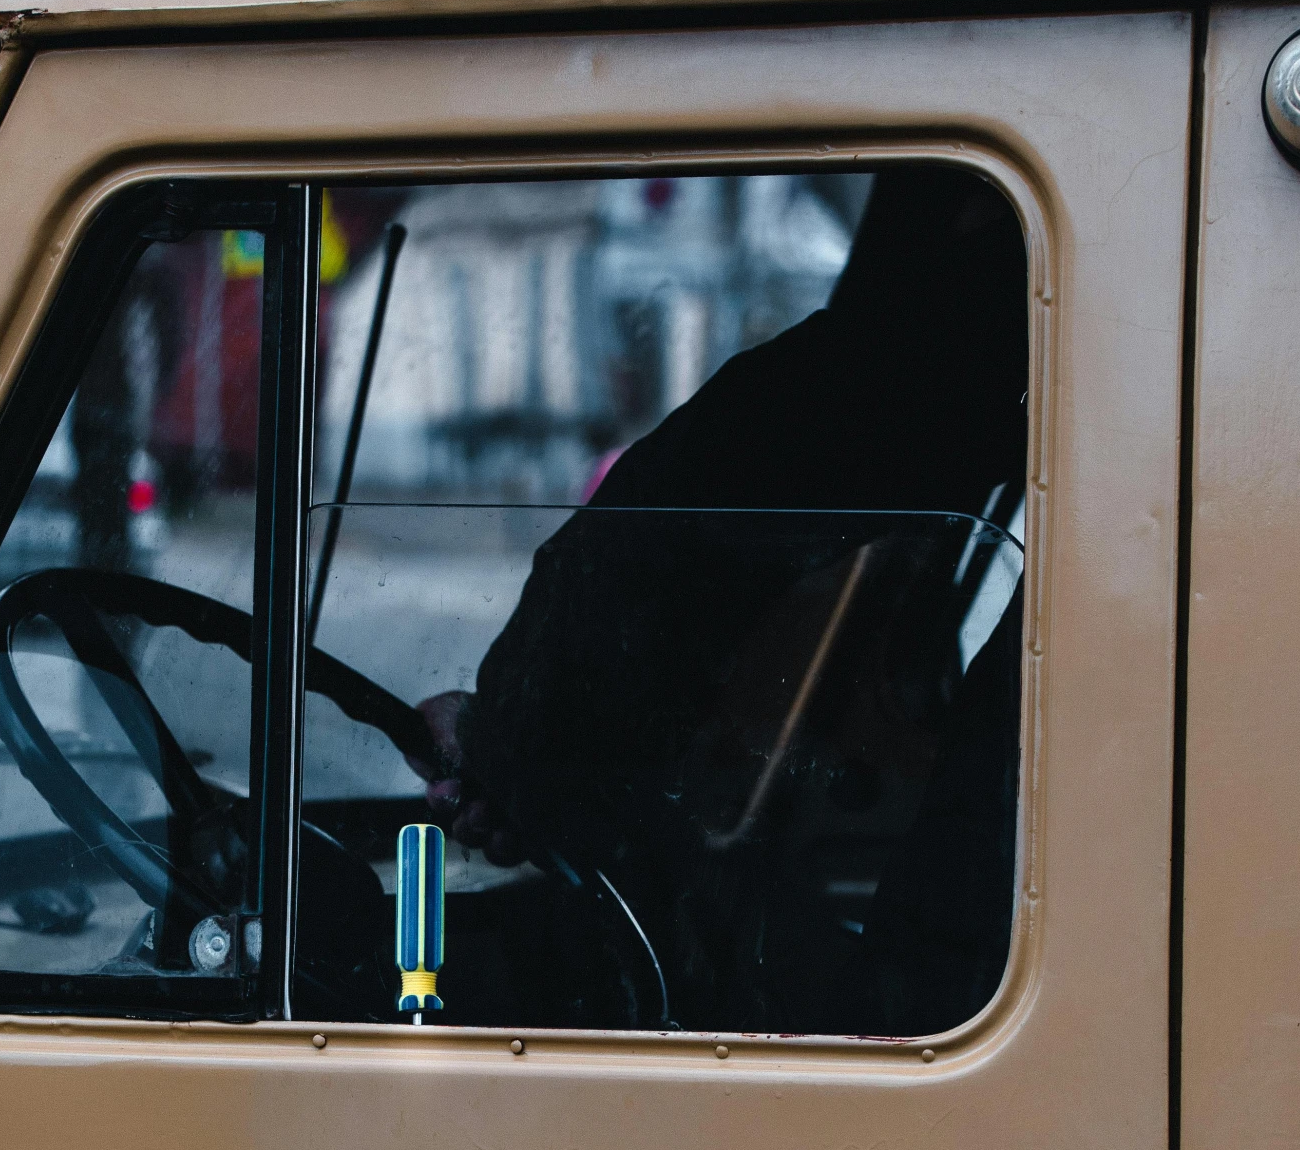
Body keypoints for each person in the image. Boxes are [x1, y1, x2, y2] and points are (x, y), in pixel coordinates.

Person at [408, 166, 1029, 1036]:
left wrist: (512, 738)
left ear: (968, 220)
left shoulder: (962, 355)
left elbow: (736, 480)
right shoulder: (1065, 402)